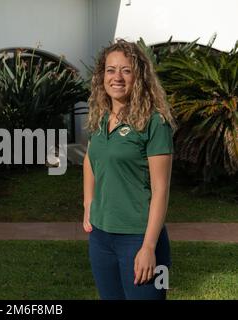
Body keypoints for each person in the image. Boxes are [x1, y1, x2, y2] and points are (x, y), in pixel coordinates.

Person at [83, 39, 177, 300]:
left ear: (139, 76)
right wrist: (88, 203)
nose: (117, 77)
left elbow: (161, 190)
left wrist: (149, 247)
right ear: (102, 76)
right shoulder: (100, 119)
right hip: (101, 239)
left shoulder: (155, 122)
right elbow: (91, 159)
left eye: (126, 70)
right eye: (111, 70)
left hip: (139, 238)